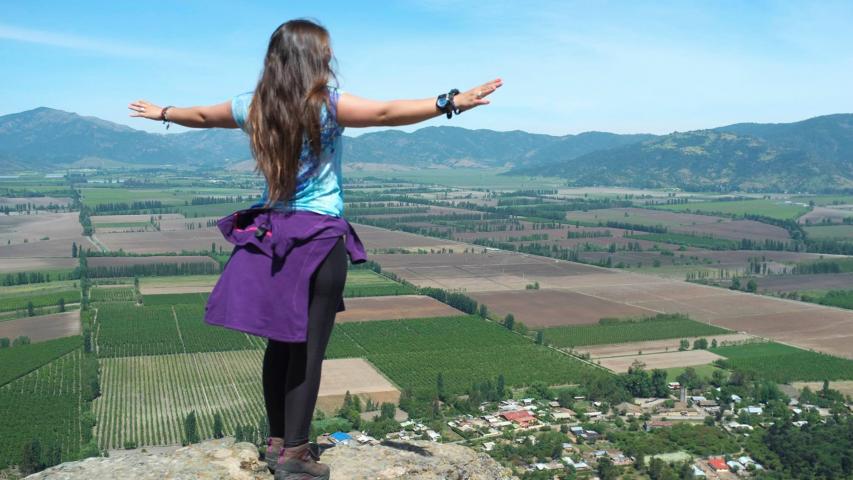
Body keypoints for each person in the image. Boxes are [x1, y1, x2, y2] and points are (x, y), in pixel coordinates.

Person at [128, 18, 501, 480]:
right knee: (308, 349)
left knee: (280, 344)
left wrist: (163, 112)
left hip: (271, 236)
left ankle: (277, 440)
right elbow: (387, 113)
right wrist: (450, 102)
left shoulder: (252, 106)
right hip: (318, 238)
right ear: (316, 59)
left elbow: (202, 117)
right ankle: (296, 456)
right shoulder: (327, 106)